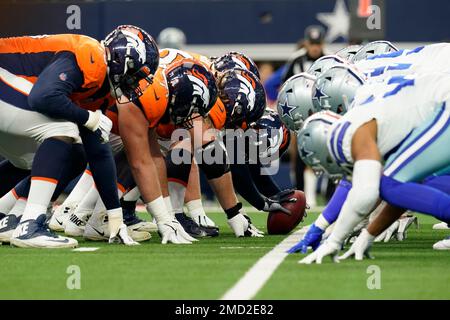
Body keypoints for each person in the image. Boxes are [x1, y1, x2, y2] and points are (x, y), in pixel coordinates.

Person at [0, 25, 159, 248]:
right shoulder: (90, 55)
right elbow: (42, 97)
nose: (134, 86)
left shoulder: (102, 89)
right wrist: (86, 117)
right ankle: (30, 225)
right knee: (63, 129)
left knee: (50, 156)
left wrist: (115, 216)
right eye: (134, 76)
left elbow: (98, 153)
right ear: (121, 61)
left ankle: (6, 216)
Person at [297, 68, 450, 264]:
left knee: (390, 184)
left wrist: (334, 240)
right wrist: (367, 235)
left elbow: (370, 192)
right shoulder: (369, 121)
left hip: (444, 105)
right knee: (405, 183)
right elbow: (400, 194)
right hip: (440, 101)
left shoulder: (347, 135)